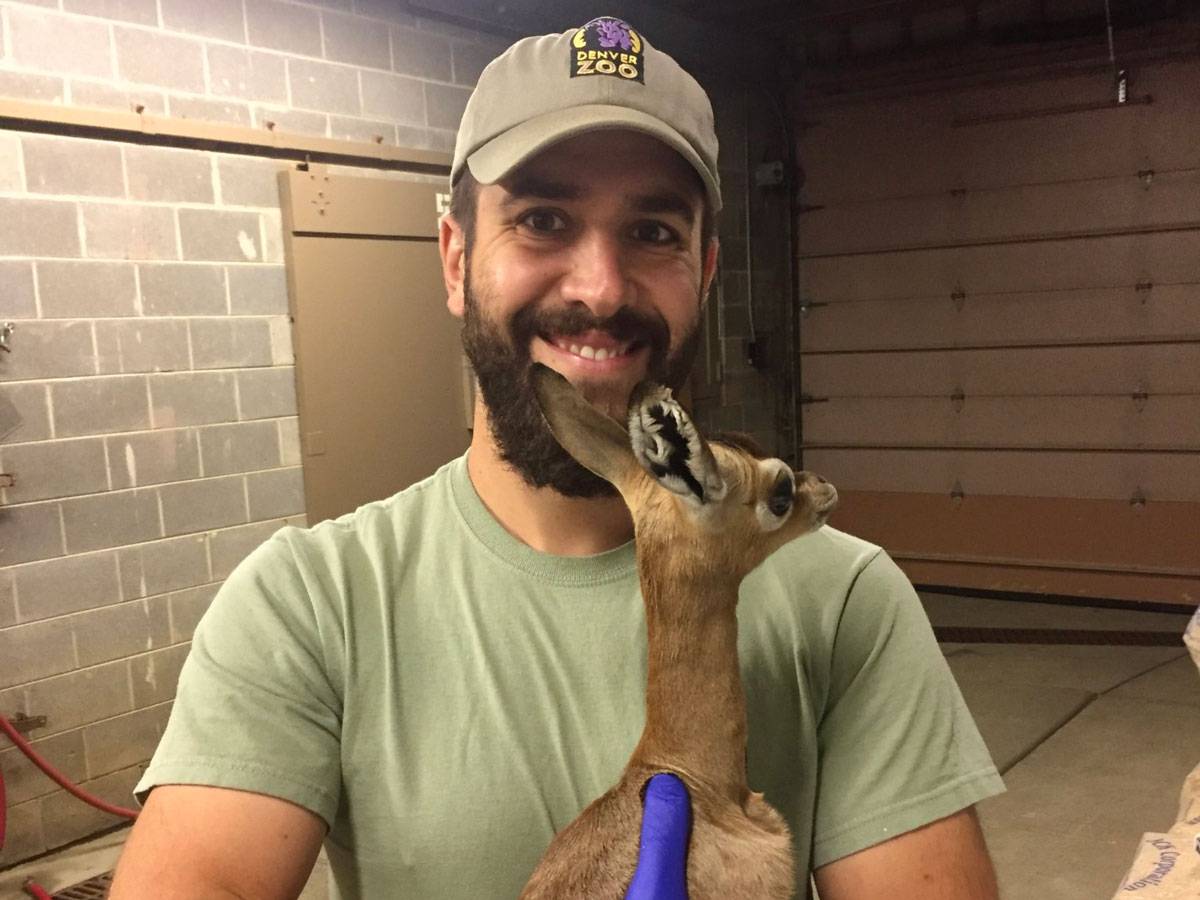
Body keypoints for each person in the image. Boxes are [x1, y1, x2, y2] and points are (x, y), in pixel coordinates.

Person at [110, 16, 1005, 900]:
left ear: (706, 272)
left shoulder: (848, 602)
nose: (600, 287)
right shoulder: (313, 601)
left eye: (653, 232)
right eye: (542, 219)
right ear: (455, 259)